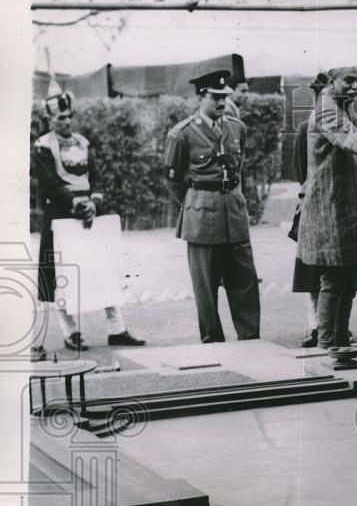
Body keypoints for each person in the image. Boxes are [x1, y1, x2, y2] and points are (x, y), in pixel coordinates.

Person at [31, 90, 145, 359]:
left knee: (104, 268)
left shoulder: (84, 143)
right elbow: (50, 183)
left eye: (70, 116)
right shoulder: (43, 146)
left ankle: (117, 328)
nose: (67, 122)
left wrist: (94, 202)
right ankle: (70, 332)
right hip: (60, 215)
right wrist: (75, 203)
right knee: (62, 275)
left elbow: (97, 176)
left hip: (90, 216)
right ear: (49, 119)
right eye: (61, 118)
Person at [297, 66, 357, 350]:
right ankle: (327, 343)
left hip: (345, 211)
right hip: (331, 211)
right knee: (334, 278)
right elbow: (347, 138)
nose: (355, 87)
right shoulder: (326, 109)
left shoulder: (340, 106)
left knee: (349, 277)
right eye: (348, 81)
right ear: (331, 81)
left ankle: (340, 338)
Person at [163, 70, 261, 343]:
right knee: (206, 287)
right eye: (215, 97)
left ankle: (251, 339)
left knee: (245, 281)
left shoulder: (236, 128)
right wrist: (196, 203)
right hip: (202, 219)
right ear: (200, 97)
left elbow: (238, 170)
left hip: (234, 213)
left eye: (224, 97)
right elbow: (173, 180)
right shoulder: (182, 134)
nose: (221, 102)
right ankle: (213, 342)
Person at [290, 72, 327, 347]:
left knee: (340, 273)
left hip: (340, 209)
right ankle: (315, 324)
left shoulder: (350, 127)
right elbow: (300, 169)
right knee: (312, 271)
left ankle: (335, 323)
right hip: (315, 207)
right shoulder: (306, 128)